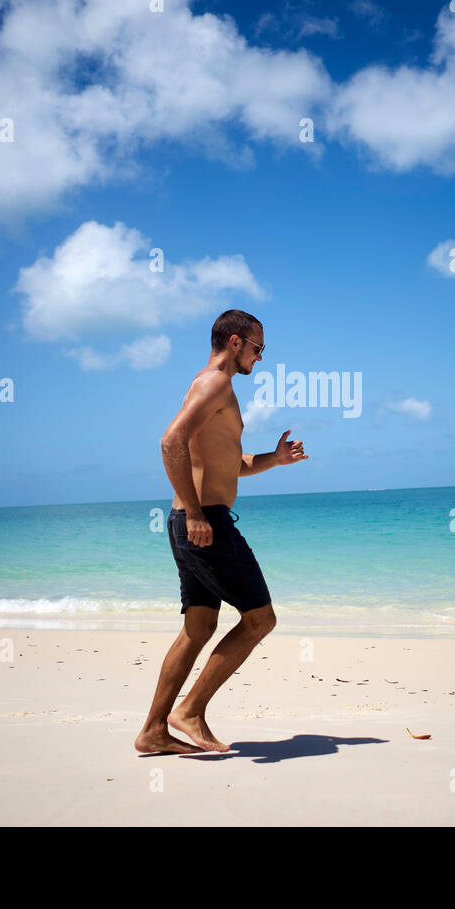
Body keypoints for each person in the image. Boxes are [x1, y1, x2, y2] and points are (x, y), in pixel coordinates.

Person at [134, 309, 308, 754]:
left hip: (191, 521)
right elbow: (169, 442)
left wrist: (274, 459)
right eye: (258, 348)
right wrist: (195, 513)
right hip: (203, 522)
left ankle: (154, 731)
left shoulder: (212, 387)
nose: (260, 358)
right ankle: (189, 712)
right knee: (260, 619)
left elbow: (229, 466)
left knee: (199, 626)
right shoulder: (214, 384)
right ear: (235, 343)